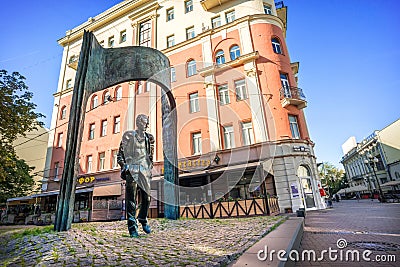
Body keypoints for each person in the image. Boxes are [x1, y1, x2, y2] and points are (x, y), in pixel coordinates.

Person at [117, 114, 155, 238]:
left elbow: (150, 156)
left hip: (144, 169)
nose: (147, 125)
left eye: (147, 122)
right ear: (139, 122)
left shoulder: (149, 138)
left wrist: (149, 168)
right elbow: (120, 155)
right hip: (132, 169)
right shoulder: (128, 136)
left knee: (147, 198)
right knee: (131, 199)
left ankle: (143, 218)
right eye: (145, 122)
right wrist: (124, 165)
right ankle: (132, 227)